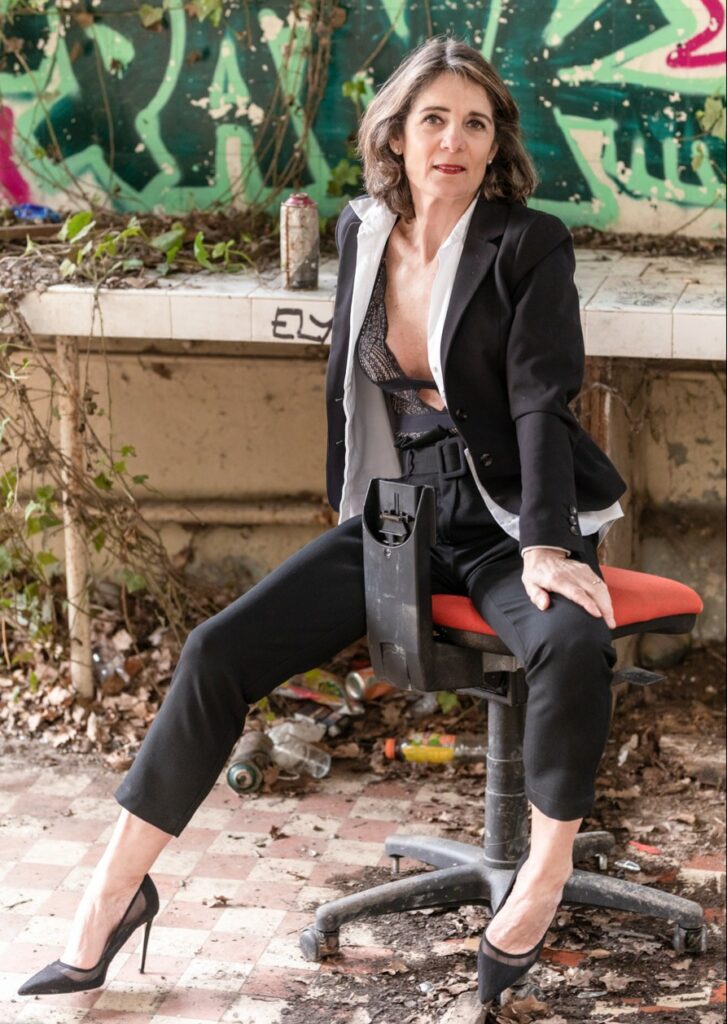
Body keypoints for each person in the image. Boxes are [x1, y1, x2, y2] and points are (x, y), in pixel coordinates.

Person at [18, 35, 627, 1005]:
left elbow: (538, 402)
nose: (453, 141)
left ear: (495, 142)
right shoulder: (361, 231)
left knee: (569, 638)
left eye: (474, 124)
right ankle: (112, 895)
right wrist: (353, 504)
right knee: (217, 652)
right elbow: (349, 379)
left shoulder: (528, 243)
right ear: (396, 135)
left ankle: (541, 879)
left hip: (509, 514)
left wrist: (548, 544)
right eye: (434, 119)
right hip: (402, 515)